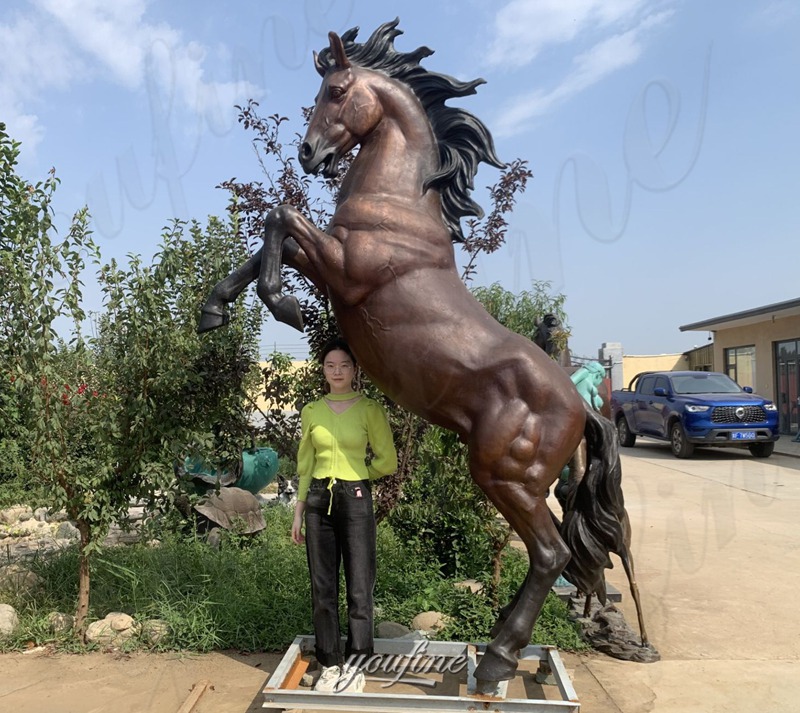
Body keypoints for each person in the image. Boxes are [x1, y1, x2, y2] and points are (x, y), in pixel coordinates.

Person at [291, 336, 398, 693]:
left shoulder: (369, 409)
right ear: (323, 370)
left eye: (344, 365)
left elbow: (388, 460)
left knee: (359, 585)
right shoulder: (312, 411)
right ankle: (330, 663)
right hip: (319, 500)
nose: (337, 371)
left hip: (354, 498)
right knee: (322, 588)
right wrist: (299, 510)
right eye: (330, 365)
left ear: (355, 370)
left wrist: (360, 477)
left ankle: (356, 663)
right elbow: (305, 464)